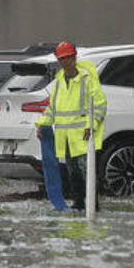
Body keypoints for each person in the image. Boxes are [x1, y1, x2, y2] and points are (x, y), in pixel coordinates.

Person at [36, 41, 107, 211]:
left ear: (74, 57)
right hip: (66, 136)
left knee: (86, 171)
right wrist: (41, 124)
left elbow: (99, 104)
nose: (65, 61)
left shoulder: (86, 79)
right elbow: (53, 108)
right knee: (72, 171)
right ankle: (79, 202)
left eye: (67, 57)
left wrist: (92, 124)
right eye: (62, 58)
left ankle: (92, 204)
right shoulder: (59, 82)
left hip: (83, 135)